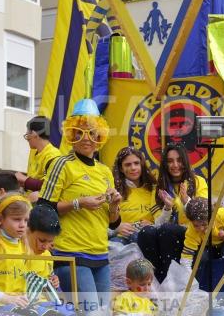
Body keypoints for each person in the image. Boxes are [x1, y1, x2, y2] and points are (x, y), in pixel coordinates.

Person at [38, 98, 122, 313]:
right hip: (71, 254)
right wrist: (78, 203)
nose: (87, 138)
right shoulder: (62, 164)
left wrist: (114, 206)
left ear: (100, 137)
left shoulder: (105, 171)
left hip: (100, 255)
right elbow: (43, 208)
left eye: (92, 133)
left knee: (103, 312)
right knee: (89, 312)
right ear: (71, 135)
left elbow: (113, 224)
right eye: (79, 132)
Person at [137, 143, 208, 282]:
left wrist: (186, 200)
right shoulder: (159, 187)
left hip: (192, 234)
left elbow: (203, 215)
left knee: (167, 230)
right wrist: (168, 208)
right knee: (146, 233)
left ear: (185, 162)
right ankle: (158, 281)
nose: (175, 165)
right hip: (166, 234)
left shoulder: (198, 182)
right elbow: (158, 224)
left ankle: (170, 282)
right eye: (170, 161)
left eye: (179, 160)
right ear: (165, 165)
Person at [180, 198, 224, 293]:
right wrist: (190, 281)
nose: (200, 228)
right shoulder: (191, 232)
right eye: (196, 225)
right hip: (210, 246)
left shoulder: (222, 214)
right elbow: (186, 260)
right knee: (201, 256)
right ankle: (194, 291)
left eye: (204, 224)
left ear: (212, 216)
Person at [111, 147, 156, 244]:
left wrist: (153, 225)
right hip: (122, 240)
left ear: (142, 165)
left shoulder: (154, 189)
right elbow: (100, 223)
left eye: (136, 163)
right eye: (128, 165)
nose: (133, 168)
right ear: (121, 168)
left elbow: (164, 220)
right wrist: (116, 228)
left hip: (149, 238)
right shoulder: (113, 191)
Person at [15, 116, 62, 202]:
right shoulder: (34, 151)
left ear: (34, 134)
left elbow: (50, 185)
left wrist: (24, 179)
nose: (27, 139)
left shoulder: (53, 155)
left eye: (27, 135)